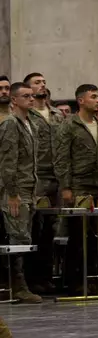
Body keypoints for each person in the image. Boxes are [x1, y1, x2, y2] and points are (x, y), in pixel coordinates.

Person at [54, 84, 98, 295]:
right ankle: (76, 281)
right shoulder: (69, 125)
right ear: (81, 101)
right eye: (93, 97)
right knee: (78, 236)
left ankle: (96, 279)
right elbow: (61, 158)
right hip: (78, 185)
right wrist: (66, 187)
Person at [0, 82, 42, 303]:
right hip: (15, 191)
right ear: (14, 100)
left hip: (30, 187)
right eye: (26, 96)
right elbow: (8, 162)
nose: (31, 99)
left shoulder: (30, 123)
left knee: (25, 236)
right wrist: (12, 193)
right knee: (18, 237)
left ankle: (19, 283)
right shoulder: (10, 124)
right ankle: (17, 285)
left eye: (32, 96)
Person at [25, 72, 65, 294]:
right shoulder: (25, 115)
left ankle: (46, 277)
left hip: (57, 176)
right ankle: (31, 279)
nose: (42, 86)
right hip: (37, 176)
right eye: (37, 83)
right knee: (34, 228)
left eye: (43, 83)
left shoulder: (57, 115)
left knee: (52, 230)